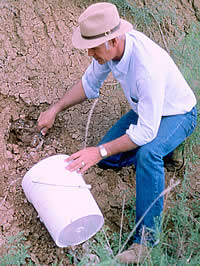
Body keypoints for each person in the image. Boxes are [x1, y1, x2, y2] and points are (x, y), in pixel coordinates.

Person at [37, 2, 197, 264]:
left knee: (148, 153)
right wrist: (55, 109)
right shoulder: (110, 53)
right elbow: (89, 85)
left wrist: (97, 151)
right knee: (110, 158)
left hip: (178, 114)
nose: (90, 53)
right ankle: (167, 149)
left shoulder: (148, 67)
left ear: (113, 39)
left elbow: (145, 132)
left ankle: (145, 243)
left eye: (94, 47)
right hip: (146, 111)